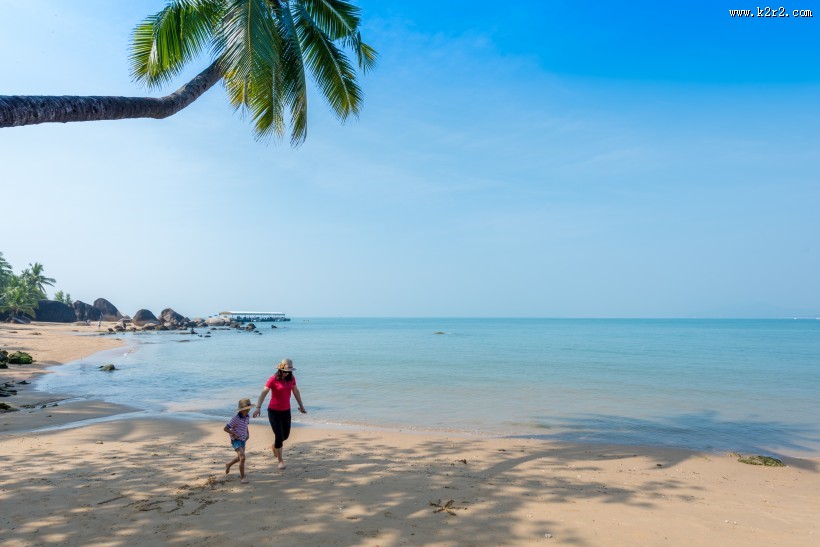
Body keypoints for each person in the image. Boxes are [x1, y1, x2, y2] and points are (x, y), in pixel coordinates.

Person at [252, 358, 306, 470]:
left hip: (286, 411)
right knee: (279, 435)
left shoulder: (291, 378)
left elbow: (296, 391)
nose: (287, 373)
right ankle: (280, 461)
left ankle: (275, 446)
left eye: (289, 371)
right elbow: (264, 393)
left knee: (285, 435)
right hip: (274, 412)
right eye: (285, 371)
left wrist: (301, 405)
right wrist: (258, 407)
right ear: (280, 370)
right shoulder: (272, 379)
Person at [224, 397, 254, 483]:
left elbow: (246, 425)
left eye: (248, 409)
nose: (247, 411)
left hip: (243, 439)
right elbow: (225, 428)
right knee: (243, 457)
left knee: (239, 458)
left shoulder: (247, 416)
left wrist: (248, 434)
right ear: (241, 410)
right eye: (245, 410)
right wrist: (234, 434)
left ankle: (228, 464)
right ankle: (242, 477)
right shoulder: (235, 418)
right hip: (236, 440)